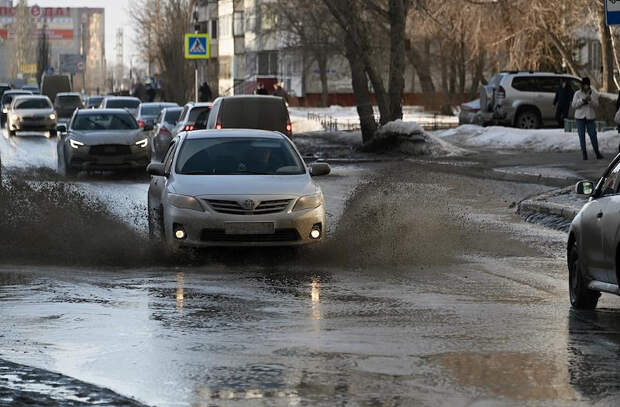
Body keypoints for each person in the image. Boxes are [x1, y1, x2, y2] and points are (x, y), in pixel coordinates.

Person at [572, 77, 603, 161]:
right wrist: (582, 100)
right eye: (584, 85)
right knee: (581, 136)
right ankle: (584, 153)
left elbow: (596, 105)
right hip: (580, 117)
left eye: (587, 85)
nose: (586, 87)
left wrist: (590, 100)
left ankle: (597, 152)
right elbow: (574, 105)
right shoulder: (577, 93)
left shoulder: (593, 93)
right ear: (582, 85)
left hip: (590, 117)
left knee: (593, 135)